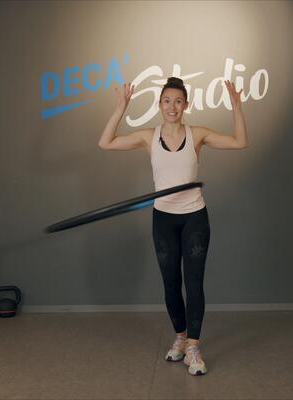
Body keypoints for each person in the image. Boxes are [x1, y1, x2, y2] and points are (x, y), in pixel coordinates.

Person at [99, 77, 248, 376]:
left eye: (178, 101)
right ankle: (180, 337)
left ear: (186, 105)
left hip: (194, 216)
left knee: (193, 283)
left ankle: (194, 346)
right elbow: (105, 142)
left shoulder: (197, 135)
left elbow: (239, 141)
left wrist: (236, 106)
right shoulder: (147, 137)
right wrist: (120, 108)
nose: (172, 106)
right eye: (167, 101)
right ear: (160, 104)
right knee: (170, 283)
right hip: (163, 218)